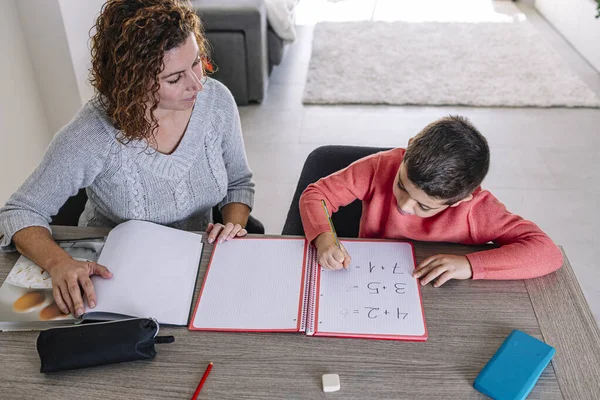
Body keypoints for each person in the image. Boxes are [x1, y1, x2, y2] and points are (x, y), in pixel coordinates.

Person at [0, 0, 257, 318]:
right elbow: (19, 213)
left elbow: (238, 183)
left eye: (196, 62)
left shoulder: (216, 101)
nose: (197, 84)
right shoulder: (92, 135)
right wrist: (58, 263)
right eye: (175, 79)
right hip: (112, 272)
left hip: (195, 259)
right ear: (132, 83)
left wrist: (232, 226)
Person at [299, 115, 563, 286]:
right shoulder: (381, 166)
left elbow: (547, 252)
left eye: (423, 206)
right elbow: (316, 195)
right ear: (409, 146)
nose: (403, 206)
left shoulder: (477, 209)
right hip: (370, 277)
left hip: (437, 294)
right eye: (401, 186)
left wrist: (470, 265)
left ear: (460, 201)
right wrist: (325, 238)